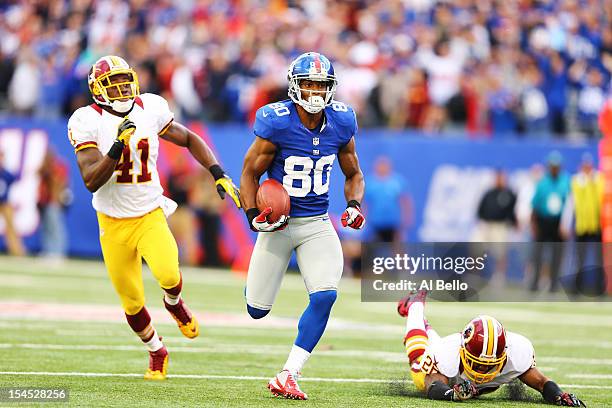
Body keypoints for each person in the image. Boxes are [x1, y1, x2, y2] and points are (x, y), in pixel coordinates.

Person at [67, 55, 241, 380]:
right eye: (112, 83)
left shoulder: (149, 107)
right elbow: (91, 179)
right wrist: (118, 144)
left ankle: (174, 302)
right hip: (112, 221)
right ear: (97, 90)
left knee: (169, 272)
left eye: (123, 81)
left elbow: (189, 137)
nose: (120, 89)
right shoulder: (85, 120)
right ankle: (157, 351)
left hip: (148, 212)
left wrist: (217, 172)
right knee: (132, 303)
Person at [240, 52, 365, 400]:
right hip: (277, 225)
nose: (314, 92)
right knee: (256, 310)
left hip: (316, 223)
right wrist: (252, 215)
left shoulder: (341, 122)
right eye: (308, 84)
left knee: (325, 295)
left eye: (321, 85)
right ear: (295, 86)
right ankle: (253, 293)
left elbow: (354, 173)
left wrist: (354, 205)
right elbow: (250, 172)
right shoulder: (276, 122)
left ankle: (288, 373)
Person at [398, 290, 586, 406]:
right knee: (418, 361)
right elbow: (433, 386)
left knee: (433, 343)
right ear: (463, 351)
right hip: (448, 374)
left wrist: (559, 396)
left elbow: (542, 383)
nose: (483, 369)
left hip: (452, 360)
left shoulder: (516, 352)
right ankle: (415, 306)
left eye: (490, 364)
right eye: (478, 363)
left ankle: (424, 322)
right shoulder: (449, 351)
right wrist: (452, 394)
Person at [563, 153, 605, 295]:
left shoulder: (599, 179)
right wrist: (566, 223)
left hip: (596, 226)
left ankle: (600, 288)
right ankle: (577, 288)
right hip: (581, 226)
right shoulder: (576, 181)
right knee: (579, 259)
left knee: (599, 260)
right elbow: (570, 204)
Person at [530, 151, 570, 292]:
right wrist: (534, 224)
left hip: (558, 222)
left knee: (557, 254)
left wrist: (566, 224)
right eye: (552, 166)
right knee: (538, 254)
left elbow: (569, 206)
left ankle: (553, 284)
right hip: (543, 220)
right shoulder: (543, 182)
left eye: (556, 166)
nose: (554, 168)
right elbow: (535, 205)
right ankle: (535, 282)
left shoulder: (566, 181)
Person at [365, 156, 412, 244]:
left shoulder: (397, 181)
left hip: (394, 222)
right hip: (376, 221)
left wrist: (407, 218)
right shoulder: (370, 182)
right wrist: (364, 218)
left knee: (397, 247)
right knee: (372, 248)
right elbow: (365, 203)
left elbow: (405, 201)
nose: (382, 168)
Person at [0, 150, 25, 256]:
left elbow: (16, 178)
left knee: (11, 228)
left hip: (5, 203)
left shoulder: (6, 173)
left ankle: (17, 252)